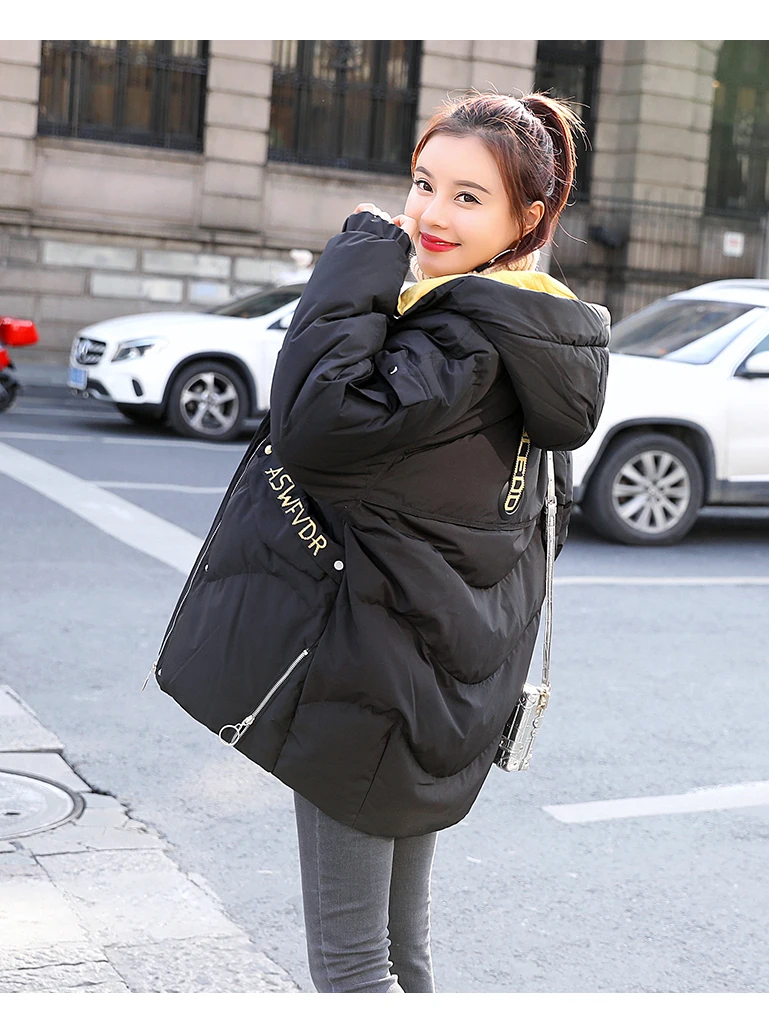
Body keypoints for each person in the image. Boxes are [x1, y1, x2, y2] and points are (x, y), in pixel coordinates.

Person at [154, 91, 609, 994]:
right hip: (436, 690)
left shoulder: (459, 342)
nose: (432, 213)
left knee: (354, 968)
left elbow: (316, 422)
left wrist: (358, 255)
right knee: (400, 955)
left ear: (528, 218)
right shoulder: (527, 337)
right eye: (424, 183)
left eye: (469, 197)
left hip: (370, 687)